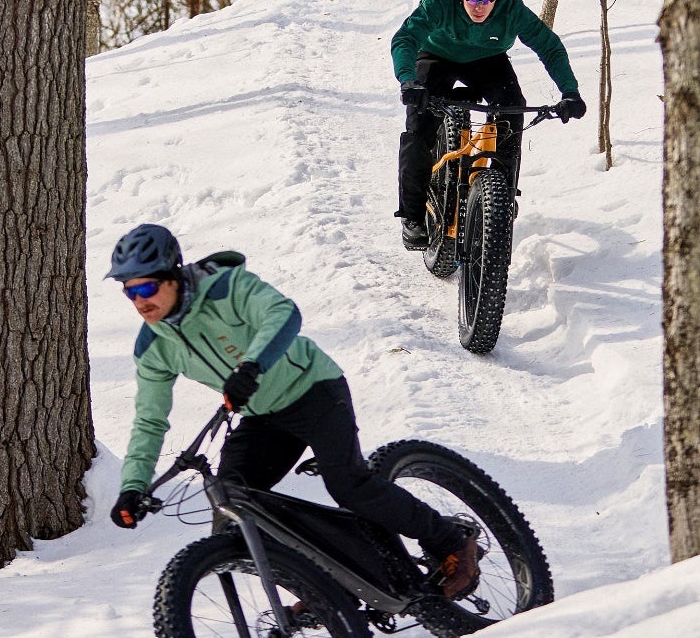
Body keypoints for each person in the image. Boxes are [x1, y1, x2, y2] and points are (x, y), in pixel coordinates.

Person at [104, 223, 481, 597]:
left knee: (349, 485)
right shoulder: (153, 346)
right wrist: (133, 486)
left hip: (314, 391)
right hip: (263, 417)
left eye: (146, 287)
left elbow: (283, 315)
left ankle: (451, 540)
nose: (139, 301)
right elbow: (150, 421)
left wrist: (251, 366)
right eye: (129, 292)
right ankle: (324, 590)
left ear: (172, 276)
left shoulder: (227, 287)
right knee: (235, 504)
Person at [391, 0, 587, 250]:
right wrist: (408, 81)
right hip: (436, 56)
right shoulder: (440, 0)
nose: (478, 7)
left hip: (488, 59)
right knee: (420, 127)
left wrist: (569, 91)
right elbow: (405, 38)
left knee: (512, 111)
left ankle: (502, 194)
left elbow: (549, 46)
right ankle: (413, 216)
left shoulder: (511, 8)